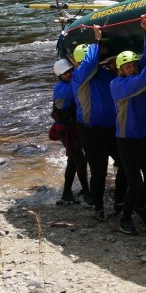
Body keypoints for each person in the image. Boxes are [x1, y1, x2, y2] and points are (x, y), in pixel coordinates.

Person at [110, 15, 146, 235]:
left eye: (134, 65)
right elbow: (145, 77)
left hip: (143, 136)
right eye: (128, 67)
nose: (133, 68)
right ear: (120, 70)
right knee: (135, 182)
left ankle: (140, 205)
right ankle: (125, 218)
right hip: (126, 140)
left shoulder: (136, 72)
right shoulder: (118, 85)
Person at [71, 28, 127, 222]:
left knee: (126, 165)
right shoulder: (79, 76)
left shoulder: (106, 73)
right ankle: (99, 207)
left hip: (112, 129)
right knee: (99, 172)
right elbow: (88, 65)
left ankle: (119, 201)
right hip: (90, 131)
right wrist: (97, 41)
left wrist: (116, 66)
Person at [50, 58, 90, 205]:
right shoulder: (60, 89)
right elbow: (76, 87)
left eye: (70, 71)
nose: (69, 74)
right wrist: (82, 70)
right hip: (65, 130)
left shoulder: (71, 82)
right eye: (65, 73)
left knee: (73, 161)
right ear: (60, 76)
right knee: (80, 160)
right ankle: (86, 191)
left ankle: (66, 192)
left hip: (73, 128)